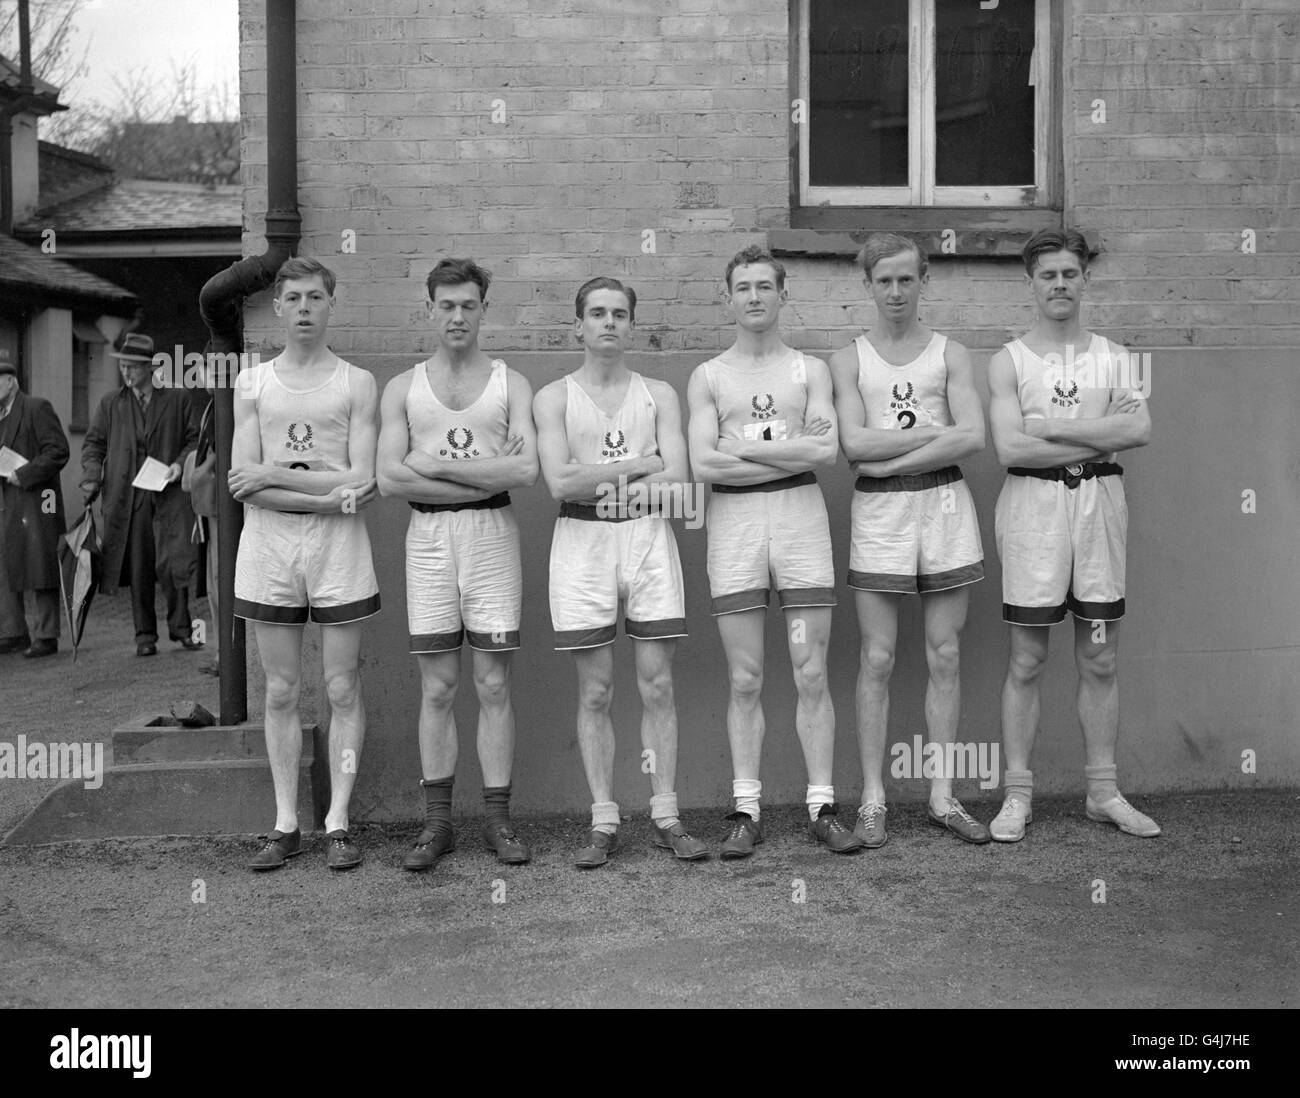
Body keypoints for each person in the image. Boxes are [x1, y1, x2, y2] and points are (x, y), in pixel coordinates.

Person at [687, 245, 862, 858]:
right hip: (734, 527)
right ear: (727, 297)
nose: (755, 297)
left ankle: (822, 804)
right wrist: (783, 445)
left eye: (766, 286)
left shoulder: (808, 371)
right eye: (744, 287)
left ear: (783, 295)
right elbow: (701, 463)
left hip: (799, 518)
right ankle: (746, 810)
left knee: (810, 670)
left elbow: (824, 454)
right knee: (746, 676)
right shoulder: (709, 375)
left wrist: (741, 448)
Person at [986, 227, 1158, 841]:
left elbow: (1137, 432)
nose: (1060, 284)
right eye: (1047, 274)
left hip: (1099, 506)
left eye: (1070, 273)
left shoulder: (1117, 355)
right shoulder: (1009, 360)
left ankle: (1103, 792)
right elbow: (1010, 446)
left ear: (1085, 279)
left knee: (1100, 654)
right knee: (1028, 657)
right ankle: (1017, 796)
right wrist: (1096, 427)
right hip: (1034, 511)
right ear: (1030, 283)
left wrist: (1053, 431)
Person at [533, 276, 708, 868]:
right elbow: (560, 482)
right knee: (597, 688)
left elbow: (680, 484)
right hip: (580, 542)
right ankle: (603, 819)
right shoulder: (553, 397)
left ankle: (666, 812)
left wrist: (612, 480)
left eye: (619, 314)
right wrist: (643, 464)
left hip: (648, 541)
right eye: (597, 313)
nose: (608, 323)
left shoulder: (659, 393)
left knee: (657, 683)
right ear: (577, 324)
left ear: (633, 325)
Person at [377, 258, 538, 871]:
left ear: (483, 309)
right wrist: (481, 470)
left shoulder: (509, 383)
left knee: (493, 682)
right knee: (439, 685)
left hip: (493, 536)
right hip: (428, 540)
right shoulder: (403, 388)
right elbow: (390, 478)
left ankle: (498, 822)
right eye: (446, 305)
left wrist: (435, 465)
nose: (458, 315)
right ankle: (437, 825)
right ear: (429, 310)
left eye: (469, 304)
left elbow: (524, 472)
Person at [828, 233, 989, 846]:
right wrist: (927, 435)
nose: (896, 292)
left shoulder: (951, 354)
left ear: (924, 281)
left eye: (906, 279)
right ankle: (873, 796)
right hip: (880, 517)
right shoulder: (849, 360)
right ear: (867, 286)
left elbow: (972, 436)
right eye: (883, 281)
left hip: (945, 503)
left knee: (944, 653)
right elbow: (854, 445)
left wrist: (886, 459)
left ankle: (943, 795)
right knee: (878, 656)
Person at [229, 257, 380, 871]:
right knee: (283, 688)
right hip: (268, 545)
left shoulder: (356, 382)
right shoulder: (252, 383)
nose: (304, 307)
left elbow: (363, 482)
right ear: (278, 307)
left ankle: (338, 821)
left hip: (338, 548)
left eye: (315, 296)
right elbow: (246, 485)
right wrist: (319, 485)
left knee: (342, 686)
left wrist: (276, 473)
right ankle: (285, 821)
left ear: (330, 304)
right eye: (293, 297)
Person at [80, 333, 200, 658]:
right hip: (128, 499)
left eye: (133, 368)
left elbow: (194, 440)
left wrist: (178, 466)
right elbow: (93, 445)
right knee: (138, 568)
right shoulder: (110, 404)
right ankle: (144, 635)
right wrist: (92, 477)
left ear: (150, 368)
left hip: (168, 495)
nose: (127, 374)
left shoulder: (177, 398)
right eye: (124, 368)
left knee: (172, 563)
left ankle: (182, 630)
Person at [0, 360, 68, 658]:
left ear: (11, 381)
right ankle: (12, 631)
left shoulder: (36, 407)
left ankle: (46, 634)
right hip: (6, 501)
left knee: (40, 563)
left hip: (37, 498)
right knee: (5, 564)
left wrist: (24, 473)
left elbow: (58, 450)